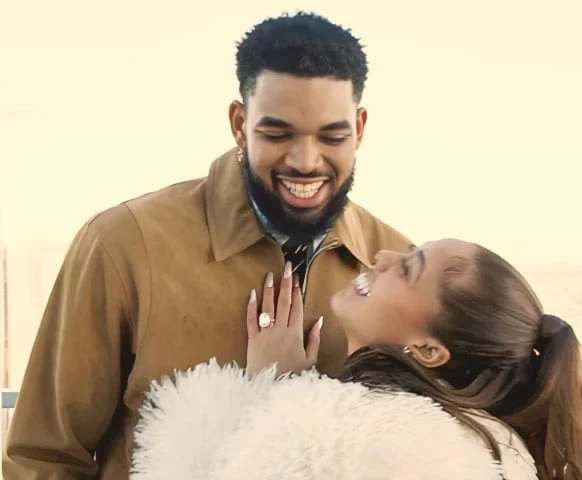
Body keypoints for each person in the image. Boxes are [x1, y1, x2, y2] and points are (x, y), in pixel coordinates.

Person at [2, 12, 413, 479]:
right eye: (277, 134)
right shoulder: (123, 246)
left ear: (359, 128)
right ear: (239, 124)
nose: (305, 160)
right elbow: (43, 460)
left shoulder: (401, 273)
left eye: (332, 136)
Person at [130, 239, 582, 480]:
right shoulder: (488, 444)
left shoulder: (351, 447)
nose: (382, 255)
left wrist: (265, 394)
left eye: (408, 269)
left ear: (429, 351)